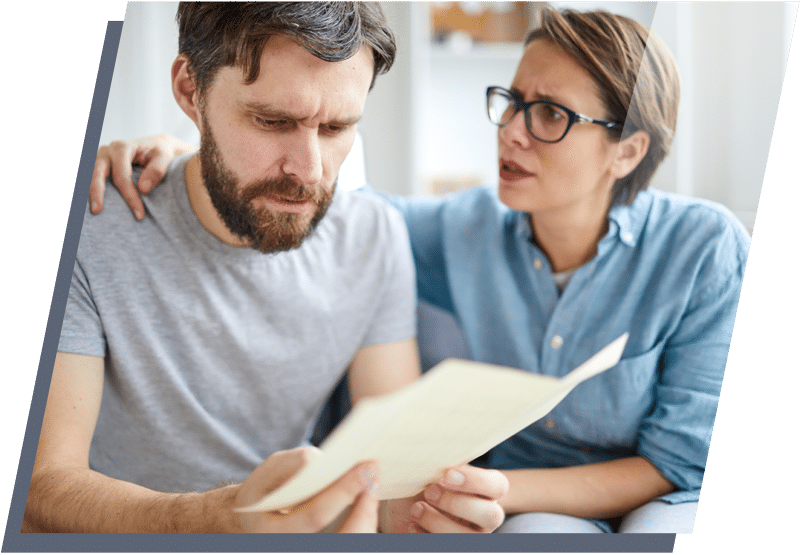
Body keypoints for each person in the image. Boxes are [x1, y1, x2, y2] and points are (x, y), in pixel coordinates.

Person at [92, 7, 751, 533]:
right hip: (518, 507)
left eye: (550, 114)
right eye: (511, 100)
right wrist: (190, 151)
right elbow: (315, 209)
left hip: (656, 491)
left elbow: (677, 459)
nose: (512, 131)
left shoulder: (704, 247)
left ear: (627, 150)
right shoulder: (455, 228)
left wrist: (493, 487)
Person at [24, 2, 508, 534]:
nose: (309, 171)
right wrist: (212, 520)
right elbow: (40, 486)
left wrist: (425, 512)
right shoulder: (90, 229)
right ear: (191, 89)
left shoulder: (372, 235)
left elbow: (389, 477)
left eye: (337, 128)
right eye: (274, 121)